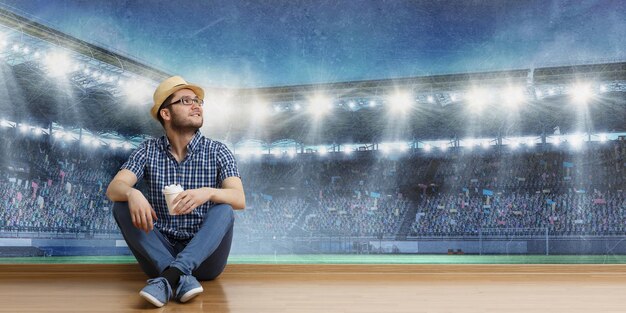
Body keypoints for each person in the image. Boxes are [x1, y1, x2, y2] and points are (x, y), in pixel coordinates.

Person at [106, 76, 245, 307]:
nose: (196, 105)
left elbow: (239, 198)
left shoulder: (218, 150)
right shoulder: (148, 150)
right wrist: (133, 193)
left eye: (198, 100)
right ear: (166, 113)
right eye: (186, 100)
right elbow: (114, 189)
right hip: (161, 251)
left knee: (224, 209)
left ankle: (169, 278)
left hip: (205, 257)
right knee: (120, 205)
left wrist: (208, 193)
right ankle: (179, 277)